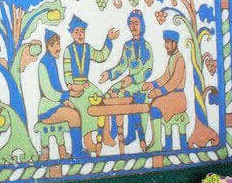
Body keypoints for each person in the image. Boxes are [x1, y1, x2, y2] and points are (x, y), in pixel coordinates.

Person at [62, 15, 118, 149]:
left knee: (102, 101)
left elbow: (101, 56)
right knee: (83, 107)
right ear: (72, 34)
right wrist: (72, 85)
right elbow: (67, 72)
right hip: (74, 88)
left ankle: (106, 135)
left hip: (87, 85)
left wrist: (108, 40)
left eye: (82, 31)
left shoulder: (87, 48)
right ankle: (87, 140)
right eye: (77, 32)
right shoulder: (68, 50)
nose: (80, 34)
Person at [100, 9, 153, 146]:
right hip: (128, 81)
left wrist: (133, 79)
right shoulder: (128, 46)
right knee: (110, 93)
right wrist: (109, 74)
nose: (133, 26)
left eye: (136, 23)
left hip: (140, 83)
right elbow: (122, 65)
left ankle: (131, 134)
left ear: (142, 25)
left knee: (126, 95)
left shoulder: (147, 46)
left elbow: (148, 70)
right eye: (131, 23)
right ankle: (112, 131)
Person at [39, 30, 85, 158]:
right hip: (47, 109)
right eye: (56, 45)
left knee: (76, 111)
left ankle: (77, 151)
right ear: (49, 46)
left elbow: (57, 89)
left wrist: (66, 100)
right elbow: (49, 92)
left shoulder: (51, 62)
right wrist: (68, 95)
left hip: (54, 106)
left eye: (59, 45)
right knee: (74, 116)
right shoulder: (44, 63)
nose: (59, 48)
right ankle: (77, 153)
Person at [143, 30, 187, 152]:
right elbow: (165, 77)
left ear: (174, 43)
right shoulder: (173, 58)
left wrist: (158, 92)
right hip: (171, 95)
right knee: (153, 103)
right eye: (165, 42)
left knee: (155, 106)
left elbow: (174, 82)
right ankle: (155, 140)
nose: (166, 45)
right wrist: (152, 84)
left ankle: (157, 143)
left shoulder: (179, 59)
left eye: (168, 42)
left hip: (178, 98)